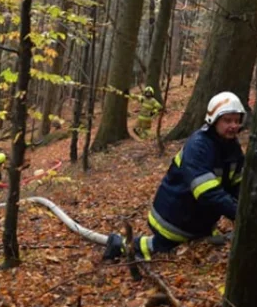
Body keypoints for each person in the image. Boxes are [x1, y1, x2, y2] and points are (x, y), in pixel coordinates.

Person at [104, 92, 246, 261]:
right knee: (160, 249)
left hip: (198, 219)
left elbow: (237, 184)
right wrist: (241, 214)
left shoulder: (232, 148)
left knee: (200, 245)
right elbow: (207, 192)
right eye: (227, 120)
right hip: (174, 218)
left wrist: (247, 208)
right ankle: (119, 244)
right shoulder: (199, 146)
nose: (234, 126)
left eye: (237, 121)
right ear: (213, 120)